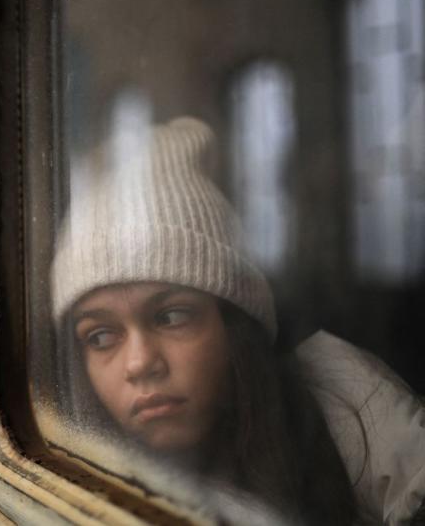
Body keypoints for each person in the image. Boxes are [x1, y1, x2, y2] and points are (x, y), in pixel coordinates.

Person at [51, 117, 425, 525]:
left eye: (171, 316)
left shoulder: (348, 411)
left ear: (234, 325)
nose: (140, 363)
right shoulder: (64, 464)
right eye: (101, 336)